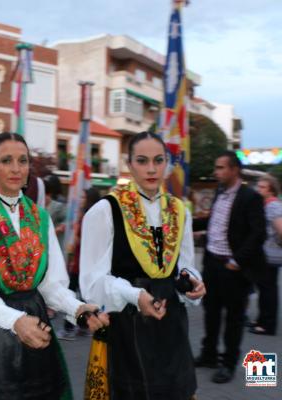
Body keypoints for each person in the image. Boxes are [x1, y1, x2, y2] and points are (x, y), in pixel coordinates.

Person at [0, 132, 108, 399]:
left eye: (22, 161)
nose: (15, 168)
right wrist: (15, 320)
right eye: (6, 160)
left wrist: (77, 308)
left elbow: (51, 283)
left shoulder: (39, 216)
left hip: (34, 322)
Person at [80, 131, 206, 399]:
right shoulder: (106, 210)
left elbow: (183, 265)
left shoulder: (179, 209)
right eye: (142, 160)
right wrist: (134, 294)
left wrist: (191, 282)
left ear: (167, 163)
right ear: (129, 164)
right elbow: (91, 283)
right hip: (126, 323)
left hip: (170, 324)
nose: (151, 168)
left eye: (158, 160)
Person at [193, 150, 266, 384]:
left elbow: (258, 234)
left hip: (233, 268)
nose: (216, 172)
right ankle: (209, 354)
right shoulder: (219, 193)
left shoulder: (250, 197)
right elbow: (214, 222)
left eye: (221, 167)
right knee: (211, 312)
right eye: (216, 167)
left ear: (234, 170)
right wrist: (186, 222)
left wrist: (237, 261)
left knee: (233, 318)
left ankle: (229, 363)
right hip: (212, 263)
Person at [57, 187, 100, 341]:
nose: (80, 200)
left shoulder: (86, 216)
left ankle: (69, 329)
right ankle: (84, 326)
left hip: (80, 263)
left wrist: (72, 246)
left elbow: (80, 240)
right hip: (88, 263)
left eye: (83, 197)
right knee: (83, 296)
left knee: (71, 295)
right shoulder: (96, 215)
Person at [249, 174, 282, 335]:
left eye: (262, 187)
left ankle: (267, 324)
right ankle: (261, 320)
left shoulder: (273, 206)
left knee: (268, 289)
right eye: (258, 186)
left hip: (270, 254)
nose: (258, 190)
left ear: (271, 190)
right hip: (266, 253)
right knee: (264, 287)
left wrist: (281, 243)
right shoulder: (267, 204)